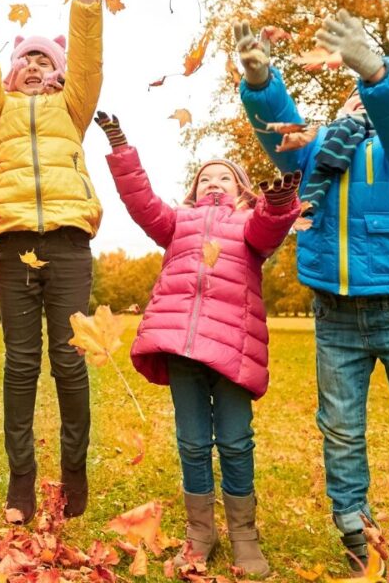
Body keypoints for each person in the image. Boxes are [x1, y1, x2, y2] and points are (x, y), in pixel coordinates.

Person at [236, 13, 389, 581]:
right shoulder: (317, 152)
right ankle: (356, 536)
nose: (358, 100)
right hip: (335, 314)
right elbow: (282, 132)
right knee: (341, 432)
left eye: (367, 93)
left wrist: (377, 72)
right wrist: (260, 84)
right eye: (353, 93)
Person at [98, 112, 300, 576]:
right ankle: (200, 534)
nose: (213, 182)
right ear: (192, 191)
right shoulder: (177, 222)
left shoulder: (248, 223)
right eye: (205, 177)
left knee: (235, 441)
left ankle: (244, 534)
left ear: (242, 189)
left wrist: (278, 203)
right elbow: (141, 202)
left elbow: (269, 228)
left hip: (232, 350)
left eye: (224, 177)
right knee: (192, 443)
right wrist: (121, 148)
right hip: (182, 348)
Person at [0, 0, 104, 521]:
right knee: (21, 364)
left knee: (69, 360)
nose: (36, 66)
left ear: (58, 72)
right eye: (27, 60)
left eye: (46, 60)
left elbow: (88, 60)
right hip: (14, 243)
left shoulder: (74, 107)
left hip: (68, 242)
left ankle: (74, 474)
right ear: (13, 73)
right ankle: (21, 481)